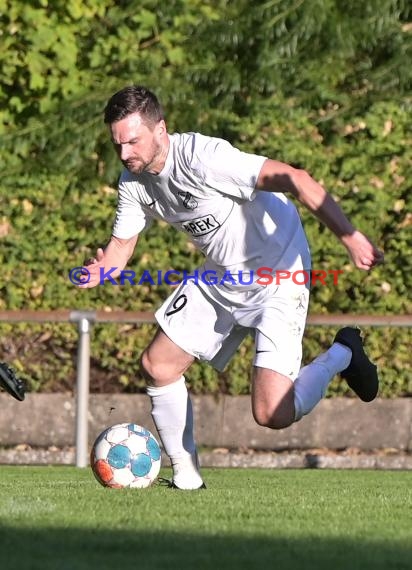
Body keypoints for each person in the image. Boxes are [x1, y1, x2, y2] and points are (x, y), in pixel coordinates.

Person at [79, 85, 384, 490]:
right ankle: (186, 478)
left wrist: (350, 236)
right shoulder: (134, 182)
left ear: (161, 129)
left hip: (278, 273)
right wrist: (102, 270)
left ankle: (342, 353)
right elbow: (120, 249)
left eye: (132, 141)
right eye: (118, 143)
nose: (124, 153)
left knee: (272, 413)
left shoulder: (205, 158)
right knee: (159, 365)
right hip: (222, 275)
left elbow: (295, 178)